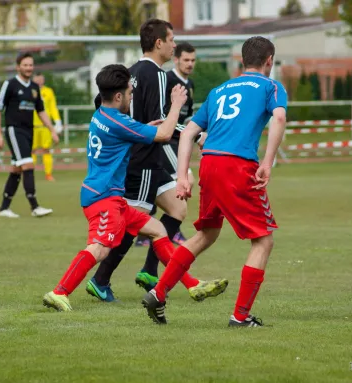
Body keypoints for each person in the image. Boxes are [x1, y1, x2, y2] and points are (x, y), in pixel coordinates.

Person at [141, 36, 288, 327]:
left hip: (209, 165)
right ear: (269, 60)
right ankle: (240, 317)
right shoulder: (271, 86)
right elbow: (279, 118)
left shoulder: (220, 89)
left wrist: (182, 176)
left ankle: (158, 292)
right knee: (263, 241)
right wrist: (267, 163)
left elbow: (187, 133)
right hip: (237, 167)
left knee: (206, 234)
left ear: (242, 61)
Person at [86, 19, 228, 303]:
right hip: (143, 159)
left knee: (177, 209)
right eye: (172, 39)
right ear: (159, 42)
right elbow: (160, 127)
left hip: (149, 159)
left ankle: (150, 270)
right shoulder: (159, 76)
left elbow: (103, 104)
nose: (175, 44)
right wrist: (195, 135)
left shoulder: (130, 72)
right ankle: (100, 279)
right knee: (131, 224)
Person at [42, 64, 195, 311]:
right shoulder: (118, 121)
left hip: (113, 199)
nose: (132, 97)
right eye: (130, 93)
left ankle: (191, 284)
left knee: (158, 229)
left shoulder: (102, 114)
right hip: (103, 198)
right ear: (118, 96)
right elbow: (166, 135)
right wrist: (176, 103)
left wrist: (148, 128)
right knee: (99, 249)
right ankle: (59, 292)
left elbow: (132, 132)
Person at [135, 41, 198, 248]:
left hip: (176, 140)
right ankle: (166, 231)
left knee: (175, 187)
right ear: (177, 59)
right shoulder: (166, 78)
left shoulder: (190, 85)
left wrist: (196, 130)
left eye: (193, 60)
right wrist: (195, 136)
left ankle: (158, 231)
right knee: (185, 180)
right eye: (186, 60)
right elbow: (161, 118)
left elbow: (186, 118)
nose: (190, 64)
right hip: (165, 142)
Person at [0, 52, 59, 218]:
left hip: (29, 131)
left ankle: (4, 208)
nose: (29, 68)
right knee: (28, 164)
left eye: (31, 65)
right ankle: (35, 207)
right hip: (14, 130)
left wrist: (52, 130)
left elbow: (41, 111)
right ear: (18, 67)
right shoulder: (10, 84)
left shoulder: (35, 88)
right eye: (25, 65)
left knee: (17, 168)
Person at [32, 72, 64, 182]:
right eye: (37, 79)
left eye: (41, 79)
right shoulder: (29, 90)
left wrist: (57, 121)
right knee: (32, 151)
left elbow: (53, 107)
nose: (39, 81)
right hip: (31, 126)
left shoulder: (48, 91)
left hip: (46, 126)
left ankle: (48, 174)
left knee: (46, 150)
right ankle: (30, 174)